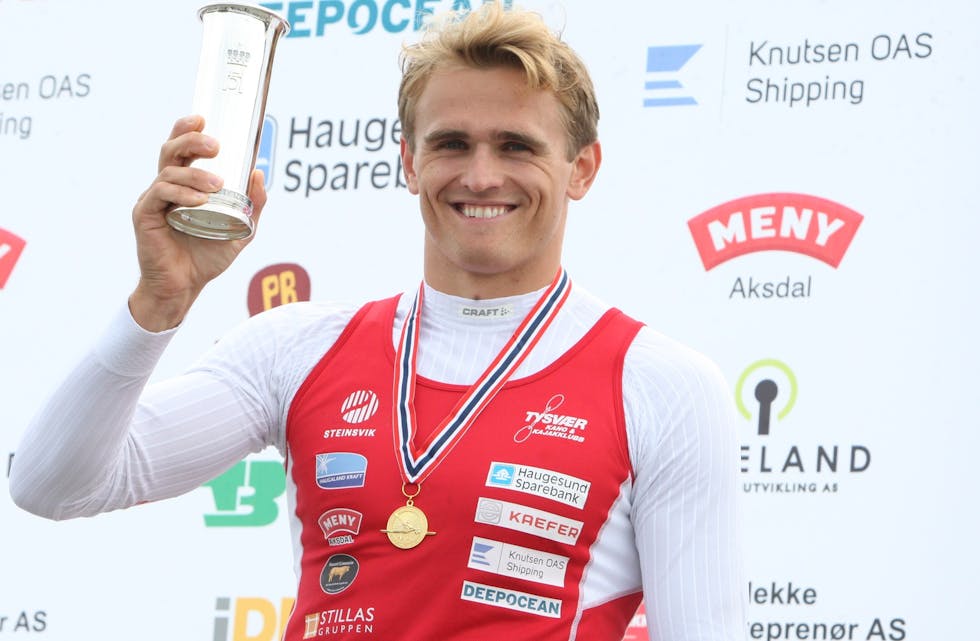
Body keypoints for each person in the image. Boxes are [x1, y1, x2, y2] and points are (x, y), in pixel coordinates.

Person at [10, 3, 746, 640]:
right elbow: (50, 485)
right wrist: (159, 302)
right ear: (409, 161)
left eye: (517, 146)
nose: (480, 175)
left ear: (582, 168)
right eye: (450, 143)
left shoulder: (661, 385)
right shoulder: (296, 349)